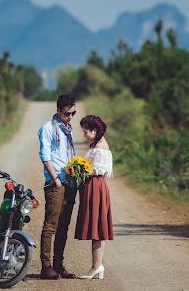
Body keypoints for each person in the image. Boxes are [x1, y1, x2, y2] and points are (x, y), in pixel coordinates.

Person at [38, 94, 77, 280]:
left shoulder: (69, 129)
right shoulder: (48, 128)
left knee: (64, 226)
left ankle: (58, 265)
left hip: (70, 183)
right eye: (67, 113)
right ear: (58, 111)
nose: (70, 117)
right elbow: (45, 156)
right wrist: (56, 179)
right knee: (50, 225)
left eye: (73, 113)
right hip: (56, 183)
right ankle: (46, 267)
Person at [75, 115, 114, 280]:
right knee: (96, 226)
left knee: (97, 227)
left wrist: (75, 170)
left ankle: (96, 266)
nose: (84, 133)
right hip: (95, 186)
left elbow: (94, 170)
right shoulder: (98, 145)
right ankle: (97, 265)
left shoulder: (99, 147)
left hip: (95, 186)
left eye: (86, 131)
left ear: (94, 130)